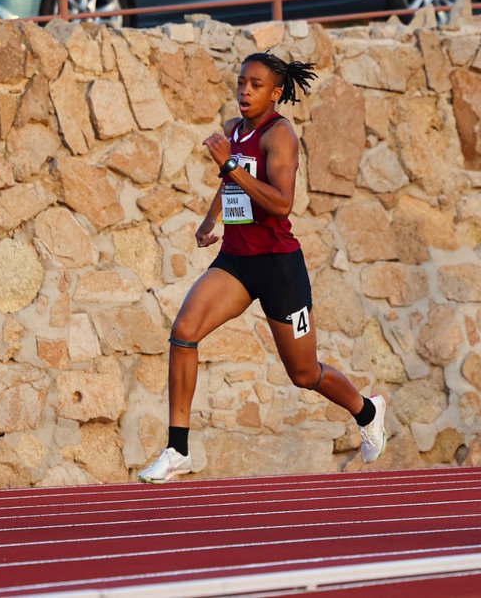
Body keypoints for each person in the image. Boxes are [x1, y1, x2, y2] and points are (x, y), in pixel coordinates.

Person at [137, 52, 387, 484]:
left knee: (304, 374)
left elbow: (281, 203)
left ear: (275, 93)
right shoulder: (233, 130)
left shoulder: (280, 135)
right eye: (240, 83)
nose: (245, 91)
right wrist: (209, 219)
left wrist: (229, 163)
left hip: (278, 267)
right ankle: (177, 449)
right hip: (235, 261)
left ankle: (367, 410)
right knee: (183, 332)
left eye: (255, 85)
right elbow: (229, 183)